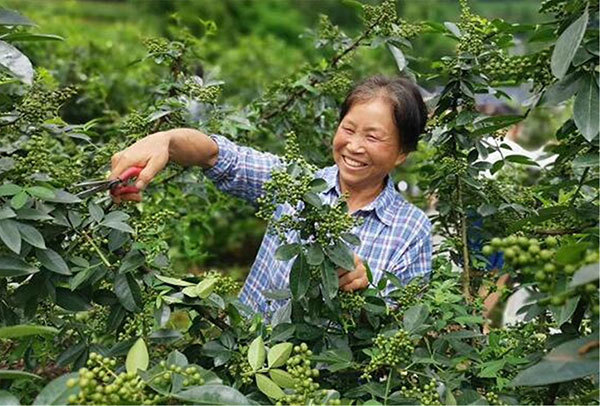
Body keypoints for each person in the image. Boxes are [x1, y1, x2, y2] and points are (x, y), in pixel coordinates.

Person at [110, 76, 432, 316]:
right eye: (348, 129)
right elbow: (219, 156)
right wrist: (166, 141)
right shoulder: (295, 184)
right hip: (245, 364)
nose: (355, 146)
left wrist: (365, 289)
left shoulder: (411, 230)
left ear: (402, 153)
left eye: (373, 137)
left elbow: (401, 327)